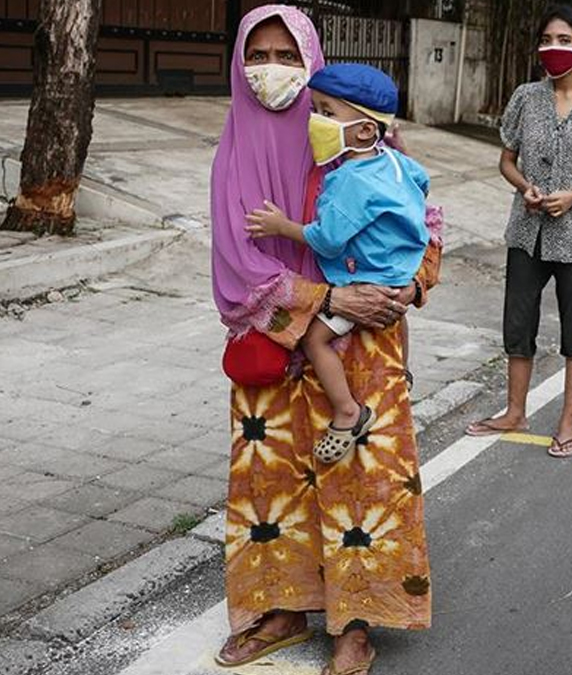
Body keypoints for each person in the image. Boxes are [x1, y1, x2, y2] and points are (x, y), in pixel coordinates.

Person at [211, 7, 443, 675]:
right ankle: (283, 608)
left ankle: (355, 621)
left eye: (289, 54)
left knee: (363, 486)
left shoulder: (365, 146)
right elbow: (237, 261)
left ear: (312, 61)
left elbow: (424, 233)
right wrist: (327, 299)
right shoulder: (234, 156)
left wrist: (411, 288)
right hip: (280, 348)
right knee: (271, 484)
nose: (274, 70)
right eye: (262, 53)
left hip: (368, 347)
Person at [243, 63, 430, 465]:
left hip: (365, 280)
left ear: (364, 130)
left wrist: (281, 226)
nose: (316, 121)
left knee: (315, 340)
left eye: (327, 113)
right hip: (401, 272)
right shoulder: (396, 162)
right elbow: (423, 182)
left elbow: (326, 238)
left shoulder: (351, 180)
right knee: (398, 316)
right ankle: (404, 373)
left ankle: (347, 410)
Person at [465, 5, 572, 459]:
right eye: (548, 40)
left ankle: (568, 422)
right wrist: (526, 187)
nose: (554, 49)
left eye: (564, 41)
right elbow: (506, 161)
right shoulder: (524, 98)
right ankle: (515, 411)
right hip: (525, 231)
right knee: (518, 325)